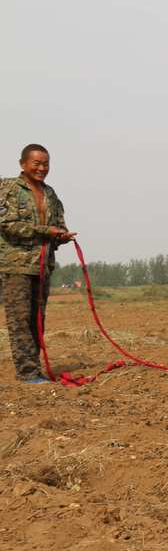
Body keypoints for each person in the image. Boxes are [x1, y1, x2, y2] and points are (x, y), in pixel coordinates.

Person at [0, 144, 75, 383]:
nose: (42, 168)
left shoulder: (51, 195)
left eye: (46, 164)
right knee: (19, 320)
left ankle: (33, 368)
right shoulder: (8, 188)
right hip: (16, 266)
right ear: (23, 164)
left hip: (42, 266)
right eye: (36, 163)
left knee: (37, 320)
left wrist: (61, 236)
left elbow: (58, 225)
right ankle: (28, 372)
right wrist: (46, 231)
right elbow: (8, 225)